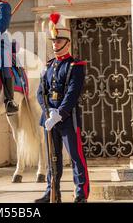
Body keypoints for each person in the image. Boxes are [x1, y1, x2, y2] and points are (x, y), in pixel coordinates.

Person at [35, 12, 90, 203]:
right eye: (53, 41)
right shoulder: (48, 66)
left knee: (76, 157)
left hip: (68, 118)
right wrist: (48, 111)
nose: (54, 44)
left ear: (67, 42)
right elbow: (40, 93)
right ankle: (52, 192)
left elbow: (73, 94)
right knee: (52, 158)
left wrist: (59, 113)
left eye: (58, 41)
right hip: (49, 119)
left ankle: (81, 192)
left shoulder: (75, 66)